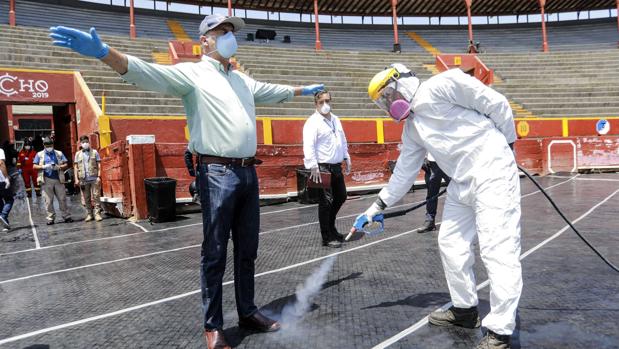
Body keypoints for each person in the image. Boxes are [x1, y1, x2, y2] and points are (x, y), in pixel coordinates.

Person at [50, 14, 324, 349]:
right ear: (205, 40)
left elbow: (270, 91)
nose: (229, 37)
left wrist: (301, 90)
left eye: (231, 32)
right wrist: (105, 52)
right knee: (215, 251)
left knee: (247, 250)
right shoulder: (192, 74)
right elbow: (148, 73)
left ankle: (248, 311)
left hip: (247, 173)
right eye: (222, 32)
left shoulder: (240, 79)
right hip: (217, 174)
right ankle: (214, 326)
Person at [356, 64, 521, 349]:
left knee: (497, 249)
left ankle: (500, 331)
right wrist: (375, 207)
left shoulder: (443, 84)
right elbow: (404, 174)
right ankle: (465, 310)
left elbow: (496, 103)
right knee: (451, 243)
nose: (387, 103)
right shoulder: (413, 128)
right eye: (382, 101)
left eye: (388, 95)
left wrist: (507, 144)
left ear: (403, 82)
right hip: (461, 181)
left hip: (492, 170)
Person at [302, 90, 351, 248]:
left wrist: (346, 156)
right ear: (315, 104)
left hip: (336, 166)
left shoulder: (336, 119)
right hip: (322, 167)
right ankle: (326, 236)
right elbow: (309, 144)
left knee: (341, 196)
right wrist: (312, 165)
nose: (325, 105)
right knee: (326, 202)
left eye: (327, 101)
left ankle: (331, 226)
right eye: (321, 102)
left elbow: (342, 139)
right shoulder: (312, 122)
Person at [33, 137, 73, 225]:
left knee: (62, 199)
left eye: (50, 145)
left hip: (59, 179)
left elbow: (66, 164)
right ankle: (50, 218)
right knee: (48, 201)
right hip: (46, 180)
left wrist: (58, 167)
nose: (49, 147)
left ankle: (66, 216)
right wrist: (44, 166)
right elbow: (34, 166)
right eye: (47, 145)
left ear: (53, 145)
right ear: (43, 145)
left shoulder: (59, 153)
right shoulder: (39, 154)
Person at [74, 135, 103, 222]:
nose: (85, 144)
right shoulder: (77, 154)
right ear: (81, 143)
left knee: (96, 196)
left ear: (89, 142)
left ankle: (97, 214)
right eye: (83, 142)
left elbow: (99, 165)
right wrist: (76, 179)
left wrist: (99, 176)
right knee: (86, 198)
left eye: (86, 142)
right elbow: (75, 167)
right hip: (83, 179)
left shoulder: (94, 152)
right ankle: (90, 214)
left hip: (94, 178)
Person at [420, 153, 450, 232]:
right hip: (432, 162)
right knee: (431, 193)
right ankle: (430, 221)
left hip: (449, 160)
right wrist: (424, 158)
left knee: (459, 191)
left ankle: (467, 220)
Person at [0, 147, 13, 231]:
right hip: (1, 181)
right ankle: (4, 215)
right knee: (9, 199)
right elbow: (1, 163)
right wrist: (6, 178)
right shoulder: (0, 151)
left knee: (0, 202)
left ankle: (5, 225)